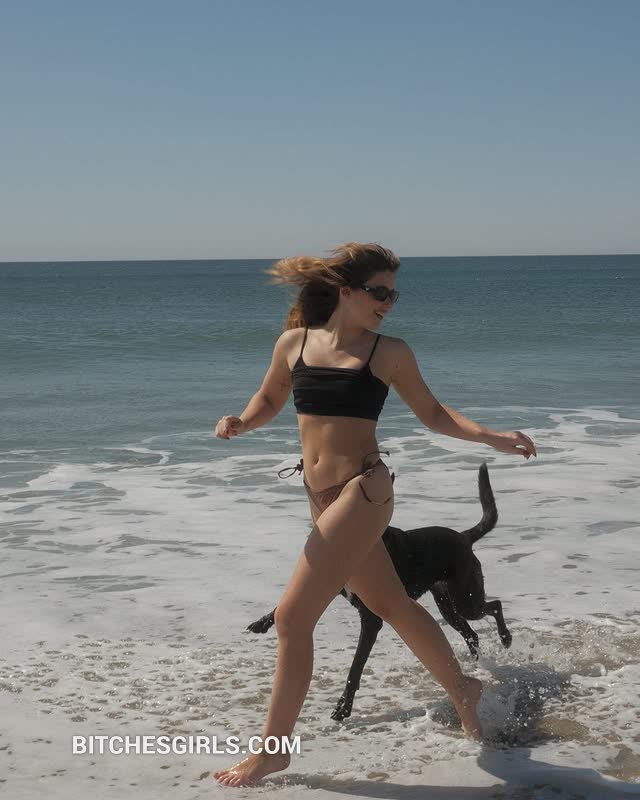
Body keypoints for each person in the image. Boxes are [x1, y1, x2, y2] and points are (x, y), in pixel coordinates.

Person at [213, 242, 537, 787]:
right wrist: (241, 421)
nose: (388, 303)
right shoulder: (294, 343)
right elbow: (270, 399)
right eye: (380, 292)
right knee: (390, 603)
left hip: (364, 491)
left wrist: (493, 437)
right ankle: (464, 689)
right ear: (346, 292)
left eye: (393, 295)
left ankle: (272, 751)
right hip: (318, 495)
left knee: (291, 619)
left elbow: (433, 413)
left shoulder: (388, 353)